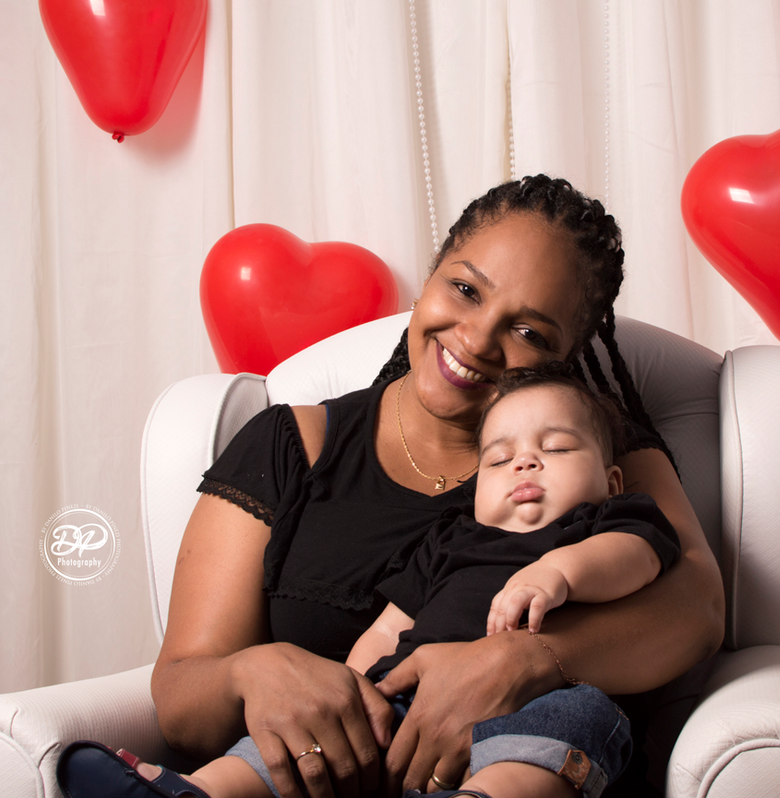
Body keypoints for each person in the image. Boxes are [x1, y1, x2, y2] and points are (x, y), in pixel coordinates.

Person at [63, 175, 725, 798]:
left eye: (527, 331)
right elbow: (181, 702)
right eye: (465, 289)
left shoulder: (589, 453)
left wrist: (524, 664)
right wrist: (254, 672)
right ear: (431, 276)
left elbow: (695, 611)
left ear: (567, 354)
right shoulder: (291, 446)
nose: (476, 338)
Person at [56, 365, 684, 798]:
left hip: (543, 698)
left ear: (611, 479)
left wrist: (557, 572)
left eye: (557, 448)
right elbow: (393, 621)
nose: (525, 461)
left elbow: (639, 557)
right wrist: (353, 685)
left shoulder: (608, 520)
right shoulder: (453, 538)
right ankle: (199, 790)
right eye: (499, 458)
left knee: (572, 725)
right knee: (293, 745)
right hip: (407, 706)